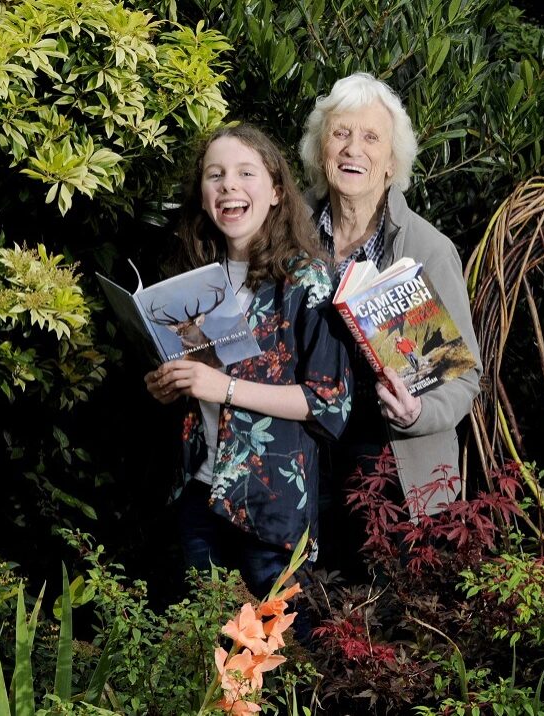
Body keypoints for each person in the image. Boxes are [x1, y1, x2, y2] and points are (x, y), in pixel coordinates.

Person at [145, 124, 353, 598]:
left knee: (277, 656)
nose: (229, 186)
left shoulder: (307, 279)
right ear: (202, 195)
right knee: (204, 652)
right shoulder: (194, 279)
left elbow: (328, 401)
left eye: (245, 173)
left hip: (271, 508)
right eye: (215, 175)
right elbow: (196, 387)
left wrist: (225, 388)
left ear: (277, 191)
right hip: (200, 493)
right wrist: (169, 383)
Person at [298, 72, 481, 549]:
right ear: (322, 150)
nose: (353, 149)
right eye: (340, 133)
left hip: (396, 476)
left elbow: (463, 379)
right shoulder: (288, 238)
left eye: (370, 137)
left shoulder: (428, 249)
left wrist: (417, 411)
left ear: (390, 162)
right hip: (303, 470)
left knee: (393, 618)